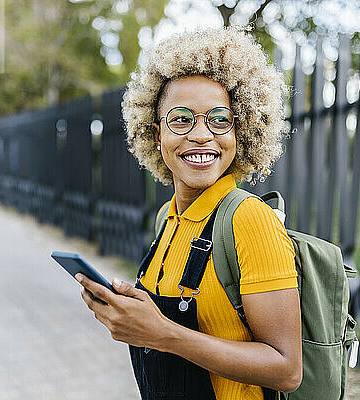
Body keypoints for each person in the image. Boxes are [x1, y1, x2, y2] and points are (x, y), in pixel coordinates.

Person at [75, 27, 302, 400]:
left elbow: (286, 369)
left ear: (239, 130)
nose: (201, 134)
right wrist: (129, 316)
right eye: (182, 119)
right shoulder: (166, 217)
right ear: (156, 133)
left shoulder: (250, 220)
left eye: (219, 119)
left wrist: (162, 334)